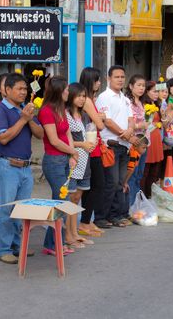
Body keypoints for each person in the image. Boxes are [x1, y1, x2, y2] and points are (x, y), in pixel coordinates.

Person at [0, 73, 44, 264]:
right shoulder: (0, 110)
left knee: (21, 210)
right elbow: (3, 138)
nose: (24, 92)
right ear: (7, 91)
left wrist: (29, 118)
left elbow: (40, 134)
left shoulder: (26, 109)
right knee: (5, 209)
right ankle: (3, 248)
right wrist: (22, 120)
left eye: (25, 89)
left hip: (25, 167)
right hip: (8, 165)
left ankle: (17, 245)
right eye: (19, 89)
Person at [38, 76, 77, 255]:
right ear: (58, 91)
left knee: (60, 202)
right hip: (53, 160)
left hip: (64, 158)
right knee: (62, 202)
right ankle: (55, 244)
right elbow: (53, 140)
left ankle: (52, 243)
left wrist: (71, 153)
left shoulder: (61, 109)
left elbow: (67, 132)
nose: (68, 92)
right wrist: (73, 151)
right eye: (66, 89)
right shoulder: (46, 110)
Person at [95, 65, 136, 228]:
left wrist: (130, 130)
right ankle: (100, 217)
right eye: (117, 77)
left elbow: (131, 118)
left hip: (124, 146)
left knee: (120, 183)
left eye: (122, 77)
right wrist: (124, 133)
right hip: (111, 146)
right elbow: (107, 121)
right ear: (109, 78)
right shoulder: (104, 97)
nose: (120, 79)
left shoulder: (125, 98)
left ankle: (115, 215)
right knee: (110, 183)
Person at [65, 82, 95, 247]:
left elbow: (87, 136)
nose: (82, 99)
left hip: (85, 161)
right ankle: (68, 235)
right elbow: (66, 141)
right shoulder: (66, 115)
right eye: (79, 96)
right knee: (70, 199)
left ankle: (74, 232)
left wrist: (91, 143)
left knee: (77, 198)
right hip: (73, 160)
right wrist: (82, 145)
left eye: (84, 96)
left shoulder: (84, 116)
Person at [78, 67, 106, 236]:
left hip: (95, 145)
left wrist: (100, 117)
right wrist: (101, 117)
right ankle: (84, 222)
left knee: (93, 186)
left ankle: (86, 221)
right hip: (91, 147)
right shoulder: (87, 100)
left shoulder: (90, 99)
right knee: (96, 186)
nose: (99, 83)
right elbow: (100, 124)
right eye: (97, 80)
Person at [125, 75, 147, 209]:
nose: (141, 88)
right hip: (133, 142)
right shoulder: (128, 102)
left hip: (143, 141)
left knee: (139, 175)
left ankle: (136, 207)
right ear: (131, 86)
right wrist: (140, 126)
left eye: (143, 86)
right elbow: (128, 123)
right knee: (132, 175)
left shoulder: (142, 102)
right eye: (138, 85)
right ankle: (129, 207)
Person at [141, 81, 164, 198]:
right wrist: (156, 124)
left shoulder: (156, 104)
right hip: (148, 138)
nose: (157, 94)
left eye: (158, 91)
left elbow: (160, 122)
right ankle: (142, 195)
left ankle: (150, 195)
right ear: (147, 92)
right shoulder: (143, 105)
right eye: (154, 91)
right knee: (146, 169)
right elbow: (145, 124)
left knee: (155, 169)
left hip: (156, 138)